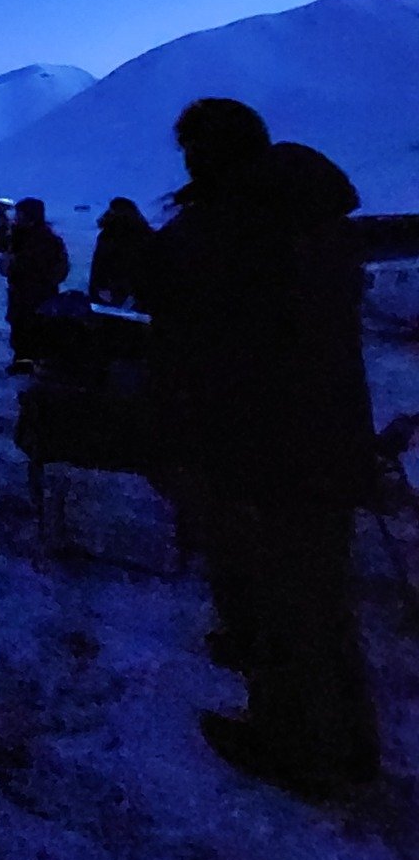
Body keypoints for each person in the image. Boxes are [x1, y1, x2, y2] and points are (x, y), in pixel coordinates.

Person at [148, 97, 380, 797]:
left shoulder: (235, 224)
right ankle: (346, 745)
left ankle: (301, 747)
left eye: (193, 148)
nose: (187, 160)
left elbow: (180, 303)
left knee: (287, 600)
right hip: (326, 432)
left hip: (263, 441)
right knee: (319, 599)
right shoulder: (314, 218)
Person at [0, 197, 69, 372]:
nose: (17, 217)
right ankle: (23, 362)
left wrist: (45, 279)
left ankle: (38, 362)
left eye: (20, 214)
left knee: (37, 327)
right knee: (20, 327)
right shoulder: (17, 236)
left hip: (39, 292)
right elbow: (2, 248)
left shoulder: (46, 239)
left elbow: (60, 266)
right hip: (20, 291)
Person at [89, 197, 154, 309]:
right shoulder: (145, 235)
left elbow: (99, 264)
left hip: (117, 290)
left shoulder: (108, 235)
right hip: (133, 291)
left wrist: (99, 287)